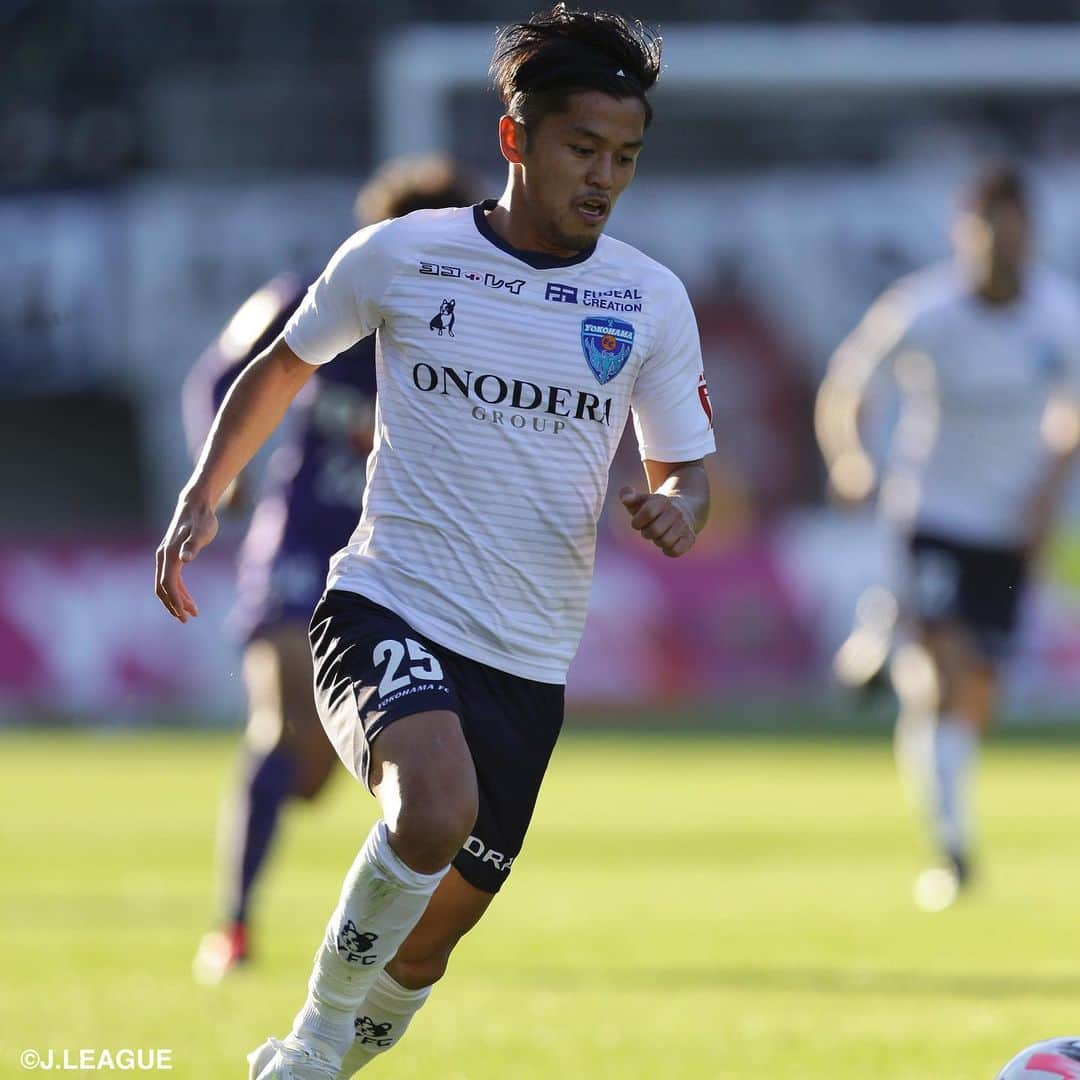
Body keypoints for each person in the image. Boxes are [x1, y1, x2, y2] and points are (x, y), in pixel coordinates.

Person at [155, 6, 715, 1077]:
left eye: (626, 159)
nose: (604, 178)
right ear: (516, 140)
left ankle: (329, 1065)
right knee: (432, 807)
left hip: (527, 659)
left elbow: (684, 467)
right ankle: (309, 1046)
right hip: (386, 604)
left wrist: (677, 507)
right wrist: (205, 490)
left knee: (428, 948)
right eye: (582, 149)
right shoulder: (404, 256)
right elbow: (279, 365)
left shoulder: (647, 300)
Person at [182, 157, 480, 985]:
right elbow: (219, 374)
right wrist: (224, 470)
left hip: (399, 565)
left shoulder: (472, 326)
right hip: (302, 545)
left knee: (316, 776)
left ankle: (398, 930)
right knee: (281, 731)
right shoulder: (318, 293)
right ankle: (234, 927)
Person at [816, 163, 1080, 911]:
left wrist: (1045, 499)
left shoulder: (1060, 317)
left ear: (1032, 233)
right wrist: (853, 459)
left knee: (977, 695)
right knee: (944, 673)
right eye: (987, 228)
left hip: (1009, 528)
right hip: (932, 514)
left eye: (1014, 228)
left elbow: (1073, 417)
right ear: (965, 233)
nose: (1000, 244)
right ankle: (954, 848)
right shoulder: (924, 310)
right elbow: (847, 388)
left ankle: (883, 627)